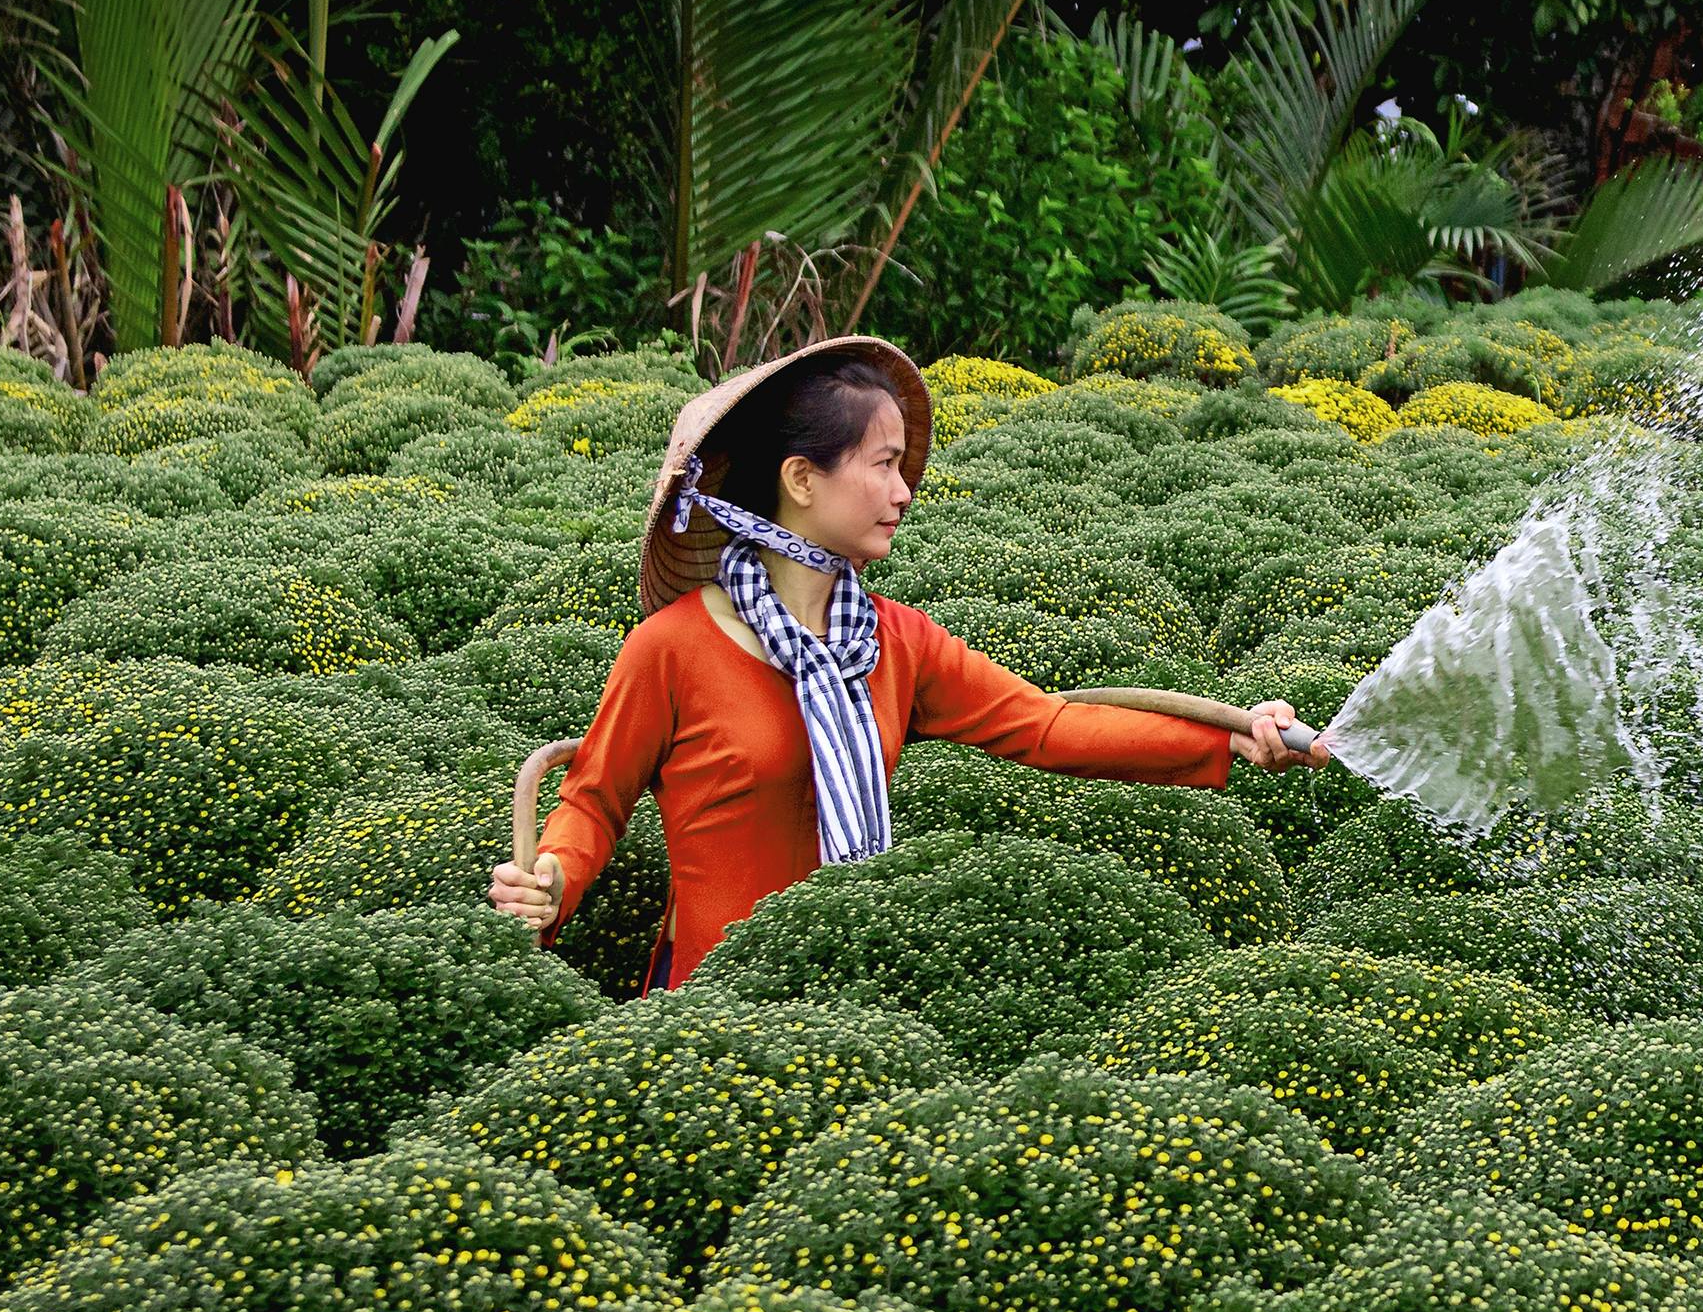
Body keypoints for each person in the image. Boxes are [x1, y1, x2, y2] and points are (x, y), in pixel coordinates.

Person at [489, 336, 1321, 987]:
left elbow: (1049, 726)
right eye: (883, 466)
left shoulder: (897, 642)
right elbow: (593, 799)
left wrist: (1231, 738)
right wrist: (554, 876)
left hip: (857, 984)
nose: (904, 490)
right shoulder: (671, 646)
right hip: (713, 1006)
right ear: (803, 480)